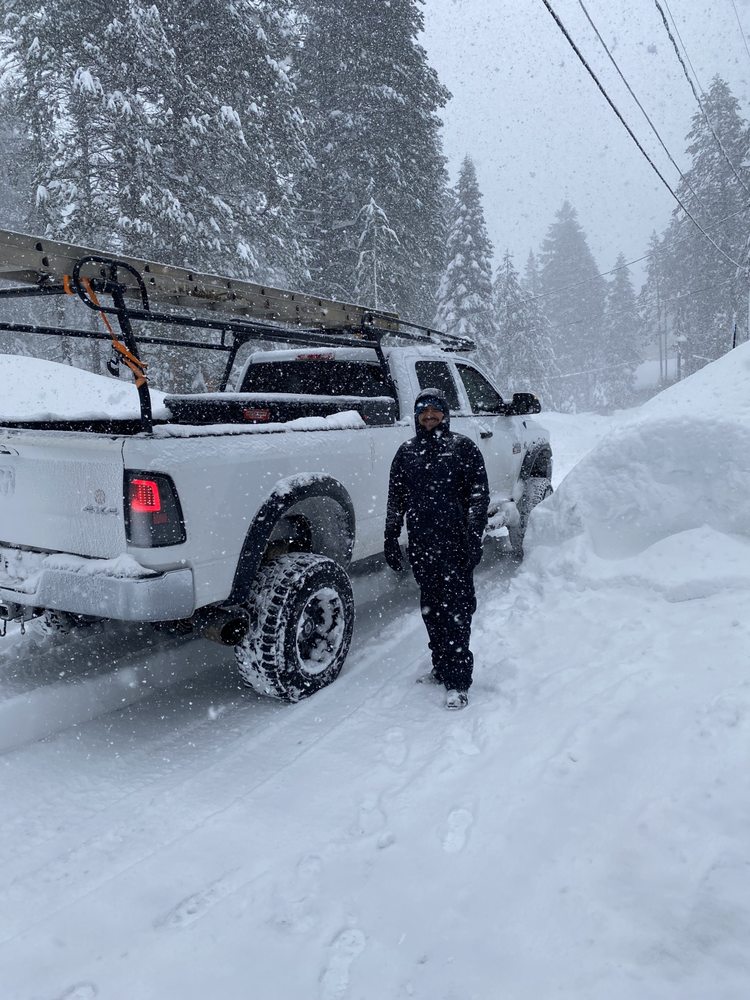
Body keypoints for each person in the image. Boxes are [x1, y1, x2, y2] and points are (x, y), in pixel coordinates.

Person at [384, 387, 490, 709]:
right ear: (417, 417)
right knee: (432, 611)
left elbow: (478, 497)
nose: (429, 417)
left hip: (456, 547)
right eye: (423, 412)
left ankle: (458, 682)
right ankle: (441, 666)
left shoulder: (464, 449)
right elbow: (395, 499)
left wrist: (473, 536)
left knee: (457, 613)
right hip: (422, 547)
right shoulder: (406, 452)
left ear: (445, 414)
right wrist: (390, 536)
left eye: (435, 411)